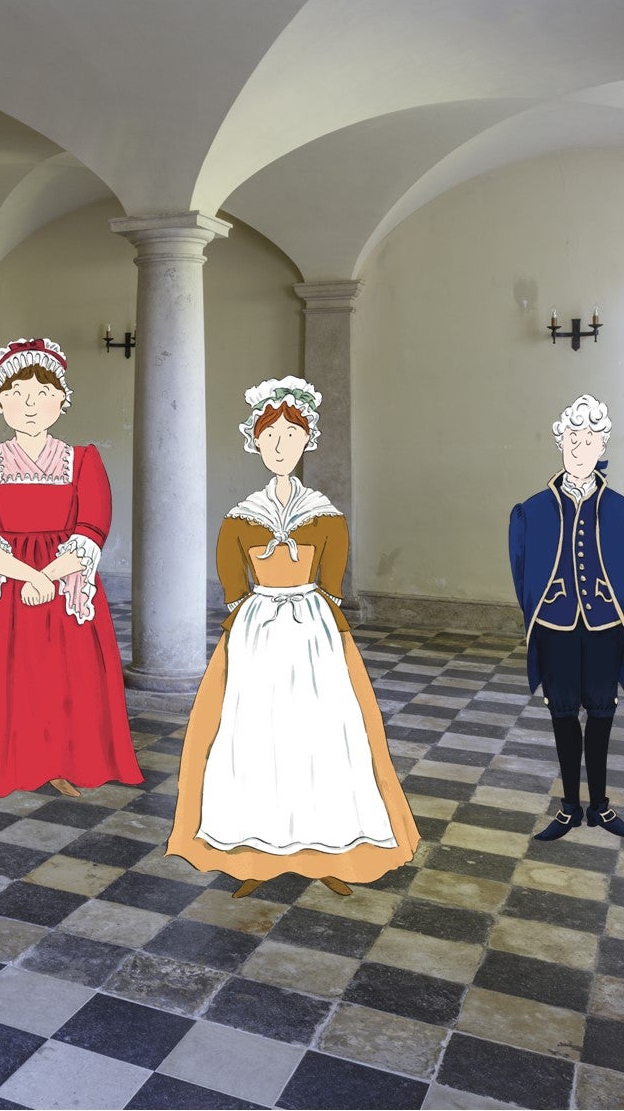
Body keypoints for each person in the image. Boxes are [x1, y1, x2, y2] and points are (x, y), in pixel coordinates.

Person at [166, 376, 418, 897]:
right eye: (270, 435)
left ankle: (326, 846)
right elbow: (233, 583)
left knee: (322, 733)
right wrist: (255, 615)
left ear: (308, 440)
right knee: (255, 732)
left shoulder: (326, 516)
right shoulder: (240, 518)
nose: (281, 444)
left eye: (291, 434)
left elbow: (331, 582)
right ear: (255, 442)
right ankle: (257, 849)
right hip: (257, 633)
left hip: (313, 633)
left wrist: (307, 613)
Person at [0, 338, 142, 805]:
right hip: (0, 589)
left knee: (59, 680)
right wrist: (28, 576)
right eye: (16, 393)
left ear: (62, 400)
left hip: (65, 588)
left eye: (42, 392)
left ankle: (57, 762)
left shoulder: (84, 461)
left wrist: (49, 577)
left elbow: (91, 529)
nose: (29, 404)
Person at [508, 393, 624, 840]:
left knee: (602, 715)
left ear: (602, 447)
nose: (579, 449)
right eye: (572, 439)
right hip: (556, 628)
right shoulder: (532, 511)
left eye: (589, 440)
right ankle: (569, 807)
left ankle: (601, 807)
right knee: (563, 717)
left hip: (605, 628)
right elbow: (523, 574)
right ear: (560, 444)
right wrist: (543, 615)